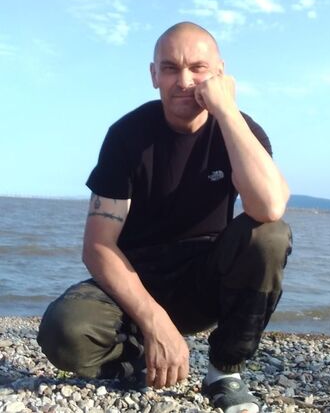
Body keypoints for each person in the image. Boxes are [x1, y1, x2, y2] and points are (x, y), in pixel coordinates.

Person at [38, 21, 292, 413]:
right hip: (136, 281)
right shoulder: (127, 136)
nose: (184, 81)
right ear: (154, 75)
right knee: (63, 331)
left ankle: (224, 372)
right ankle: (139, 359)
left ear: (220, 73)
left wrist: (226, 111)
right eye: (171, 68)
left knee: (270, 236)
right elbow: (98, 246)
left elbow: (270, 208)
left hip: (205, 279)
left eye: (198, 68)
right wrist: (154, 320)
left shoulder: (241, 131)